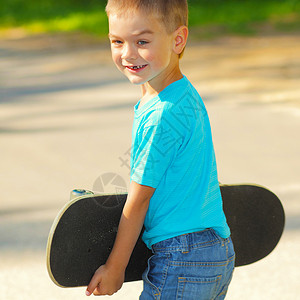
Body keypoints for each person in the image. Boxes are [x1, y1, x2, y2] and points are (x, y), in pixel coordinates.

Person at [86, 0, 235, 299]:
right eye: (117, 41)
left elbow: (139, 199)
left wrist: (115, 267)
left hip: (181, 256)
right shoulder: (184, 93)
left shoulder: (161, 115)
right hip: (218, 248)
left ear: (177, 40)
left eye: (142, 41)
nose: (128, 53)